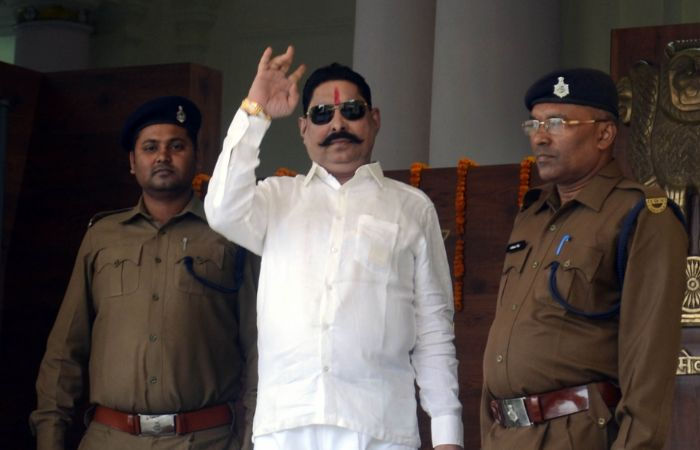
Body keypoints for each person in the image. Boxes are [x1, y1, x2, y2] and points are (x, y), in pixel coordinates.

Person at [204, 46, 463, 450]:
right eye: (323, 115)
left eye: (352, 111)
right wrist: (256, 111)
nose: (337, 124)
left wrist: (447, 435)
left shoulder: (411, 208)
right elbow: (221, 209)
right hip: (286, 427)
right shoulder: (276, 199)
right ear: (303, 128)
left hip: (380, 429)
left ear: (374, 120)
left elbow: (433, 327)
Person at [30, 96, 259, 450]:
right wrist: (50, 437)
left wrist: (254, 439)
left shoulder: (229, 234)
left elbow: (259, 347)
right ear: (132, 163)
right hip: (110, 440)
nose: (163, 156)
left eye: (176, 146)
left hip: (205, 440)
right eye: (150, 147)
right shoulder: (102, 236)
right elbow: (65, 351)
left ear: (197, 156)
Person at [480, 68, 688, 449]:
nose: (540, 137)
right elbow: (504, 339)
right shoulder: (531, 216)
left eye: (557, 123)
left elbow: (650, 363)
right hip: (505, 436)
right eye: (534, 124)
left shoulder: (641, 215)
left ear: (604, 134)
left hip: (575, 436)